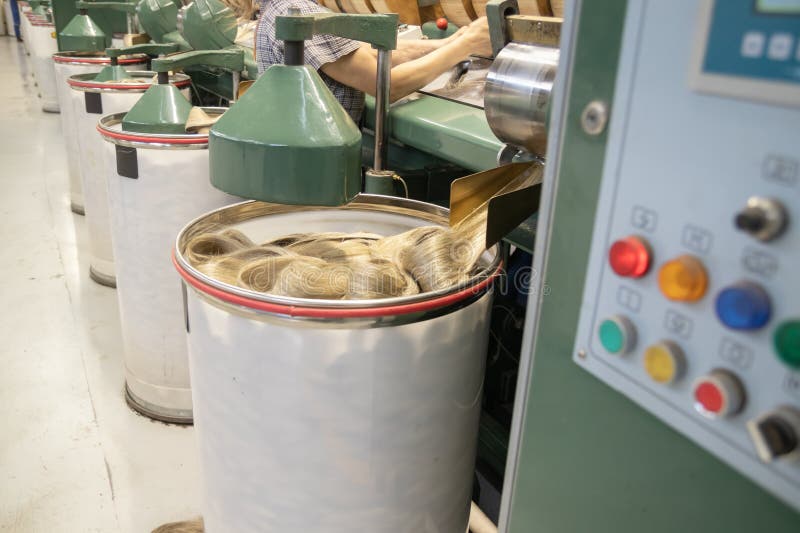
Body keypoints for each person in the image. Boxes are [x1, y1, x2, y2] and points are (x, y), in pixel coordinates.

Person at [255, 0, 493, 121]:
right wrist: (467, 45)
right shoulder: (298, 11)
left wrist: (448, 44)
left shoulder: (279, 7)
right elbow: (387, 85)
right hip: (318, 161)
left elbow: (366, 54)